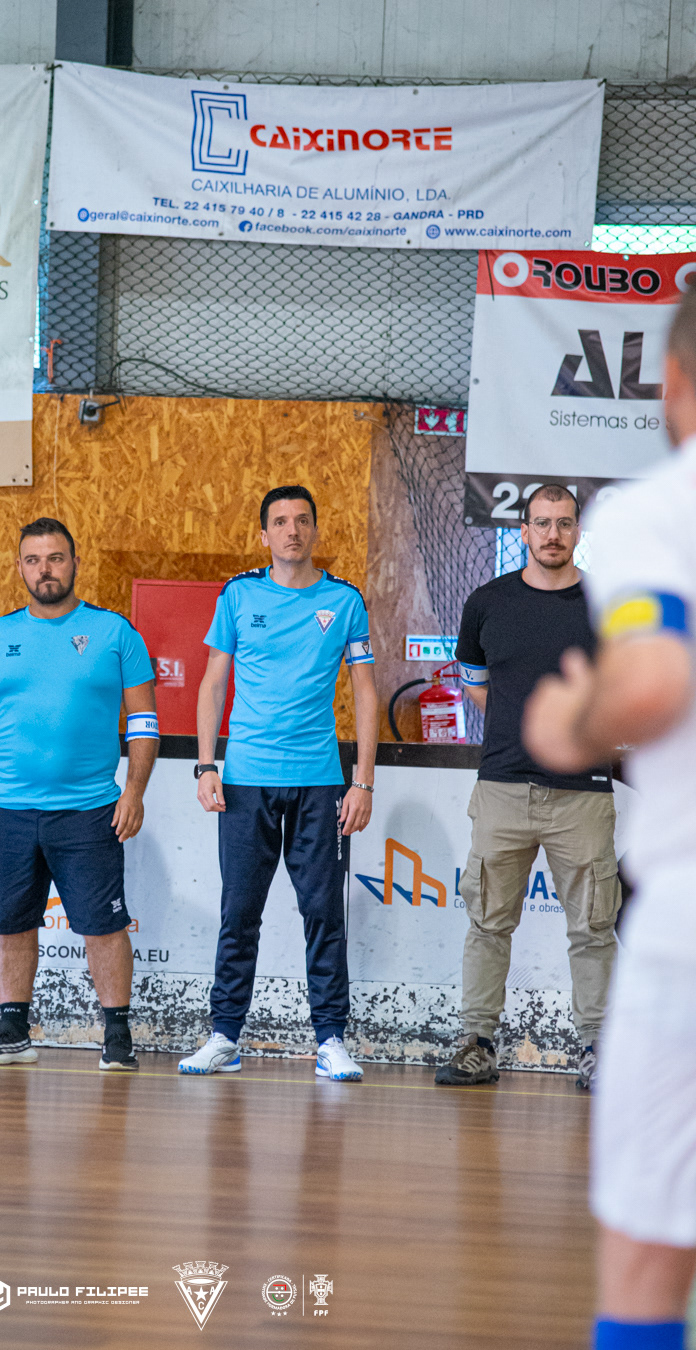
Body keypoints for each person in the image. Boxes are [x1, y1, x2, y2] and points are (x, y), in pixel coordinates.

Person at [524, 286, 696, 1350]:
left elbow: (653, 680)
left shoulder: (659, 511)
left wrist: (570, 720)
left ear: (672, 384)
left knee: (646, 1254)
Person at [0, 517, 159, 1071]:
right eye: (34, 560)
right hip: (8, 811)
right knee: (10, 923)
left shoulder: (115, 633)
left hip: (89, 812)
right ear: (20, 567)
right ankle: (13, 1032)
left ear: (75, 563)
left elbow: (144, 722)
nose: (45, 570)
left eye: (56, 558)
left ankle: (118, 1038)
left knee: (104, 925)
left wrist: (134, 791)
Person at [180, 485, 378, 1081]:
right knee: (239, 912)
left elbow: (365, 692)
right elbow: (213, 682)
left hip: (320, 783)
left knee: (323, 913)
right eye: (281, 522)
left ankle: (331, 1040)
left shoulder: (344, 601)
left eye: (302, 520)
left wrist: (363, 781)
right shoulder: (238, 594)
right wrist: (206, 765)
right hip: (246, 782)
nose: (292, 530)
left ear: (315, 529)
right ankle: (224, 1036)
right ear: (264, 534)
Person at [435, 484, 621, 1090]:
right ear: (523, 531)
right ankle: (478, 1044)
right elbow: (477, 684)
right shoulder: (486, 602)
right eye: (541, 523)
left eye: (563, 523)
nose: (552, 535)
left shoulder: (606, 603)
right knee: (488, 924)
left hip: (583, 794)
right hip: (503, 789)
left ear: (577, 531)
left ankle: (598, 1049)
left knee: (593, 929)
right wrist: (524, 731)